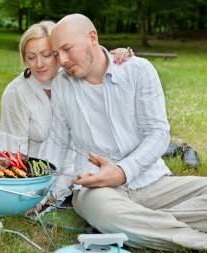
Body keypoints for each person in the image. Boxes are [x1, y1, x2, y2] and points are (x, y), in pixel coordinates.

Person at [46, 13, 207, 250]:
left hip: (152, 182)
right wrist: (45, 193)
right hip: (97, 189)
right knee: (102, 211)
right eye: (57, 53)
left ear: (92, 38)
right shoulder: (62, 83)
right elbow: (58, 141)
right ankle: (196, 240)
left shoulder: (138, 70)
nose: (62, 60)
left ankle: (141, 223)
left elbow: (158, 133)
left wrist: (122, 171)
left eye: (67, 49)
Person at [0, 21, 132, 205]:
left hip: (89, 168)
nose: (39, 64)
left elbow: (100, 64)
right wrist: (27, 190)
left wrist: (121, 57)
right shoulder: (16, 93)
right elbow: (12, 153)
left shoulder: (75, 77)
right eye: (31, 57)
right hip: (42, 175)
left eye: (46, 55)